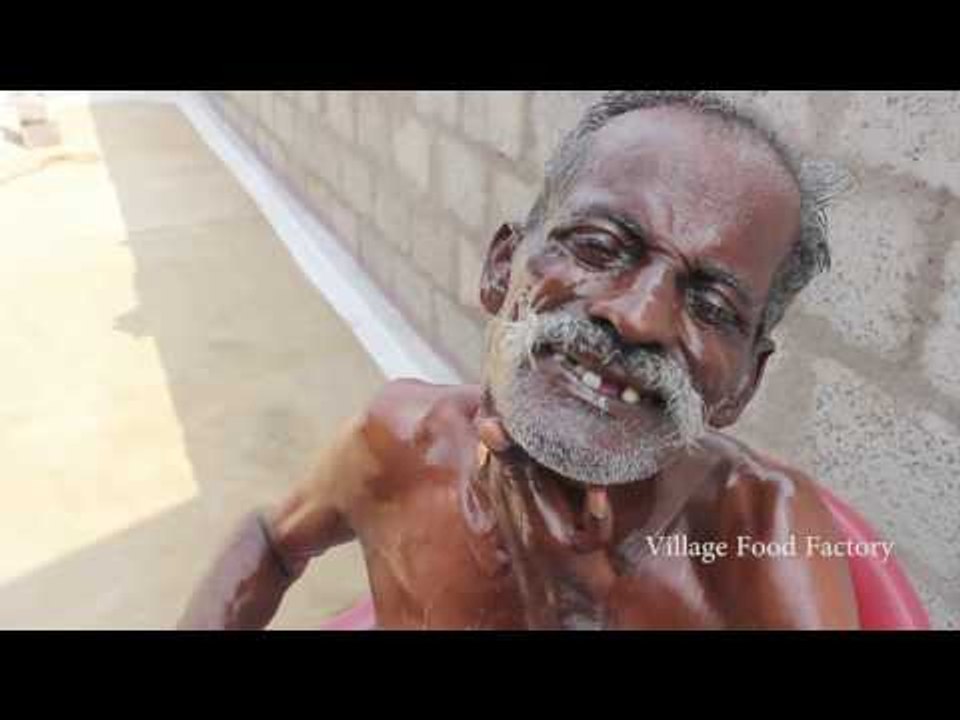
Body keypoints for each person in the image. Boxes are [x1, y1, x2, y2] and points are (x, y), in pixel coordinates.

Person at [178, 91, 860, 630]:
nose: (638, 316)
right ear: (503, 267)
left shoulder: (759, 539)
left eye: (712, 306)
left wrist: (572, 617)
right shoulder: (398, 438)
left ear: (744, 383)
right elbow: (270, 543)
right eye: (598, 245)